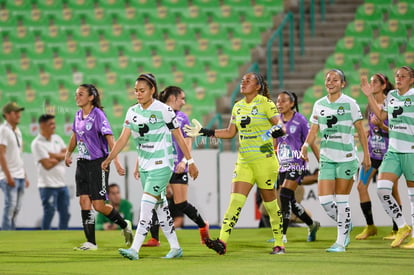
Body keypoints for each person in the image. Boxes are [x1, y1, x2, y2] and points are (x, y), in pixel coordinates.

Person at [184, 72, 285, 255]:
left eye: (249, 80)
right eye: (242, 80)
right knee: (235, 202)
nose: (243, 82)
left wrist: (274, 132)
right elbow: (230, 132)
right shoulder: (237, 107)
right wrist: (205, 132)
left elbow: (281, 125)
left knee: (270, 205)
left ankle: (279, 243)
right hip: (244, 161)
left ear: (258, 86)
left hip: (265, 161)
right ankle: (222, 241)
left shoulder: (265, 103)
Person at [101, 73, 199, 260]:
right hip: (145, 165)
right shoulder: (132, 112)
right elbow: (123, 139)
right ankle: (176, 247)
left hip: (162, 164)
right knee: (160, 207)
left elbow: (179, 137)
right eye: (136, 90)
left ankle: (135, 249)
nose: (138, 94)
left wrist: (190, 161)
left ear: (152, 90)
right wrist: (110, 158)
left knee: (146, 205)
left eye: (142, 90)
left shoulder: (164, 110)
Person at [300, 69, 370, 252]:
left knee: (341, 199)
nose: (330, 82)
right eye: (328, 79)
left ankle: (341, 241)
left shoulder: (350, 104)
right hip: (327, 158)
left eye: (335, 80)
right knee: (324, 201)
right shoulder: (319, 104)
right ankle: (345, 222)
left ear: (343, 84)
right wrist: (305, 146)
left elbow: (361, 131)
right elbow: (314, 130)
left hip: (346, 159)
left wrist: (366, 156)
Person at [64, 84, 133, 251]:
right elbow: (75, 135)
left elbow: (110, 138)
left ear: (91, 97)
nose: (77, 97)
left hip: (98, 163)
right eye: (76, 94)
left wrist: (114, 161)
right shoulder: (78, 115)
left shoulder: (98, 115)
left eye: (80, 94)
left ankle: (125, 225)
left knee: (99, 206)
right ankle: (91, 243)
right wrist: (68, 153)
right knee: (83, 201)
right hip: (82, 163)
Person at [141, 85, 210, 247]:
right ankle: (155, 238)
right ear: (172, 98)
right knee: (153, 200)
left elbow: (188, 140)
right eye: (182, 98)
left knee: (180, 203)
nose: (184, 102)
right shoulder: (157, 115)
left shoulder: (182, 117)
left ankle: (202, 225)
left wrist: (185, 161)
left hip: (178, 166)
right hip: (159, 165)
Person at [361, 65, 414, 248]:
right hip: (392, 151)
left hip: (411, 150)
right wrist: (369, 95)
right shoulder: (391, 96)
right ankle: (402, 226)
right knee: (382, 189)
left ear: (412, 79)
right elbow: (382, 115)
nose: (398, 79)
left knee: (412, 195)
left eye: (403, 76)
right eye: (397, 76)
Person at [355, 73, 401, 240]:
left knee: (393, 190)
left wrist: (381, 125)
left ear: (383, 86)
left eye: (375, 82)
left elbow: (397, 131)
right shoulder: (370, 105)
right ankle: (370, 226)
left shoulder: (392, 104)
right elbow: (374, 129)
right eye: (371, 81)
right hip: (373, 153)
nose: (371, 84)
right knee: (361, 186)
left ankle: (397, 228)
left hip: (389, 153)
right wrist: (366, 134)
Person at [275, 90, 320, 243]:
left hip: (297, 163)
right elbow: (276, 143)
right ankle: (312, 224)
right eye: (278, 101)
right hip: (282, 165)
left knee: (284, 195)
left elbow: (311, 140)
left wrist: (321, 161)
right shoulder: (277, 121)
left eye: (283, 101)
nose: (279, 104)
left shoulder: (300, 120)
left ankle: (282, 235)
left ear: (292, 103)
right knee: (291, 201)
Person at [31, 114, 70, 230]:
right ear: (42, 125)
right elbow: (47, 165)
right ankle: (44, 235)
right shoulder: (37, 143)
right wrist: (61, 157)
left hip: (62, 184)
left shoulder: (57, 138)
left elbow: (67, 153)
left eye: (54, 123)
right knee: (49, 212)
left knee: (65, 214)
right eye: (50, 124)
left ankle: (63, 235)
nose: (54, 126)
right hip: (47, 185)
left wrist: (52, 155)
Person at [0, 102, 29, 230]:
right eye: (14, 112)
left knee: (17, 207)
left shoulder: (17, 131)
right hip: (8, 175)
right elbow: (1, 154)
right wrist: (8, 176)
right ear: (6, 115)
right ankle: (6, 233)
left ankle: (11, 231)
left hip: (19, 174)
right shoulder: (3, 130)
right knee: (10, 206)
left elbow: (18, 155)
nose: (18, 114)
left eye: (19, 112)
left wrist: (25, 175)